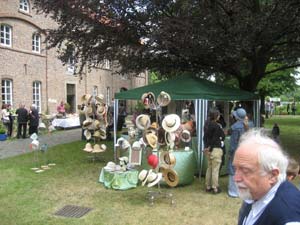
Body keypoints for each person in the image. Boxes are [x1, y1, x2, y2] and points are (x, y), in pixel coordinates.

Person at [235, 129, 300, 225]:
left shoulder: (288, 217)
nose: (236, 178)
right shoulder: (256, 193)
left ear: (272, 175)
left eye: (245, 171)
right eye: (236, 168)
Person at [203, 109, 225, 194]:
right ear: (216, 116)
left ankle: (208, 186)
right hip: (215, 149)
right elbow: (216, 138)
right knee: (215, 170)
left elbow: (204, 138)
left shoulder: (206, 125)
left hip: (209, 149)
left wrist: (206, 147)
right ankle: (215, 187)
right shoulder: (216, 126)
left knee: (209, 168)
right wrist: (210, 148)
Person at [228, 107, 247, 198]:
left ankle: (233, 191)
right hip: (244, 151)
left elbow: (233, 143)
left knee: (233, 170)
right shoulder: (246, 125)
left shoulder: (235, 127)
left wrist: (229, 153)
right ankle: (242, 190)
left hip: (236, 152)